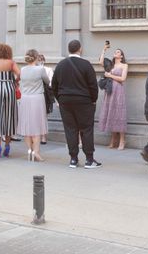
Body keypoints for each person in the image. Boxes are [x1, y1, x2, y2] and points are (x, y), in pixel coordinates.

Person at [52, 39, 101, 169]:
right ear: (80, 49)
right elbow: (93, 85)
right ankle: (89, 159)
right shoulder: (86, 64)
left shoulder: (61, 65)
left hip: (65, 101)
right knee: (86, 129)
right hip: (84, 101)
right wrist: (93, 99)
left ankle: (73, 159)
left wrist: (60, 98)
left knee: (70, 129)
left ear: (69, 50)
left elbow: (54, 85)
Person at [18, 49, 50, 161]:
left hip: (25, 98)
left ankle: (30, 150)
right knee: (36, 125)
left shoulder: (22, 69)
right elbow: (47, 81)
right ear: (36, 57)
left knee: (27, 125)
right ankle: (36, 152)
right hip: (37, 98)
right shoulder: (40, 69)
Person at [98, 43, 128, 150]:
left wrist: (110, 75)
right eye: (115, 51)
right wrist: (104, 49)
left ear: (121, 56)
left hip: (118, 91)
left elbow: (123, 79)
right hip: (110, 91)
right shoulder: (110, 64)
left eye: (118, 52)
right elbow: (100, 62)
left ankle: (122, 140)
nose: (116, 52)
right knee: (111, 113)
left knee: (119, 114)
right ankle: (113, 139)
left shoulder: (124, 65)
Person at [37, 53, 54, 144]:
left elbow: (51, 82)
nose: (40, 61)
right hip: (35, 94)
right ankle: (36, 136)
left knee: (43, 116)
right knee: (35, 116)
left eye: (41, 59)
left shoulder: (48, 69)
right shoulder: (33, 70)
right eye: (38, 60)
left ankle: (43, 136)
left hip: (44, 94)